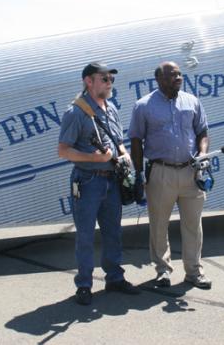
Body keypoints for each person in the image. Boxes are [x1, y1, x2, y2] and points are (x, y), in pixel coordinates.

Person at [58, 62, 140, 305]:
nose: (109, 82)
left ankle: (114, 277)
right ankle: (84, 285)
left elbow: (118, 140)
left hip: (112, 180)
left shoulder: (111, 108)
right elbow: (63, 151)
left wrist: (123, 154)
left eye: (110, 79)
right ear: (88, 81)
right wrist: (94, 158)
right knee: (85, 236)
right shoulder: (75, 112)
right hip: (87, 181)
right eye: (104, 78)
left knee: (113, 232)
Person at [128, 61, 212, 289]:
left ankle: (194, 272)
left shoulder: (192, 101)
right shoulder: (143, 106)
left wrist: (203, 154)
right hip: (160, 172)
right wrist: (138, 175)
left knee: (193, 225)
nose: (178, 78)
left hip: (190, 172)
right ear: (159, 79)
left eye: (179, 74)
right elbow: (136, 141)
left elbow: (202, 131)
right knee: (158, 225)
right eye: (172, 75)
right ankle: (162, 271)